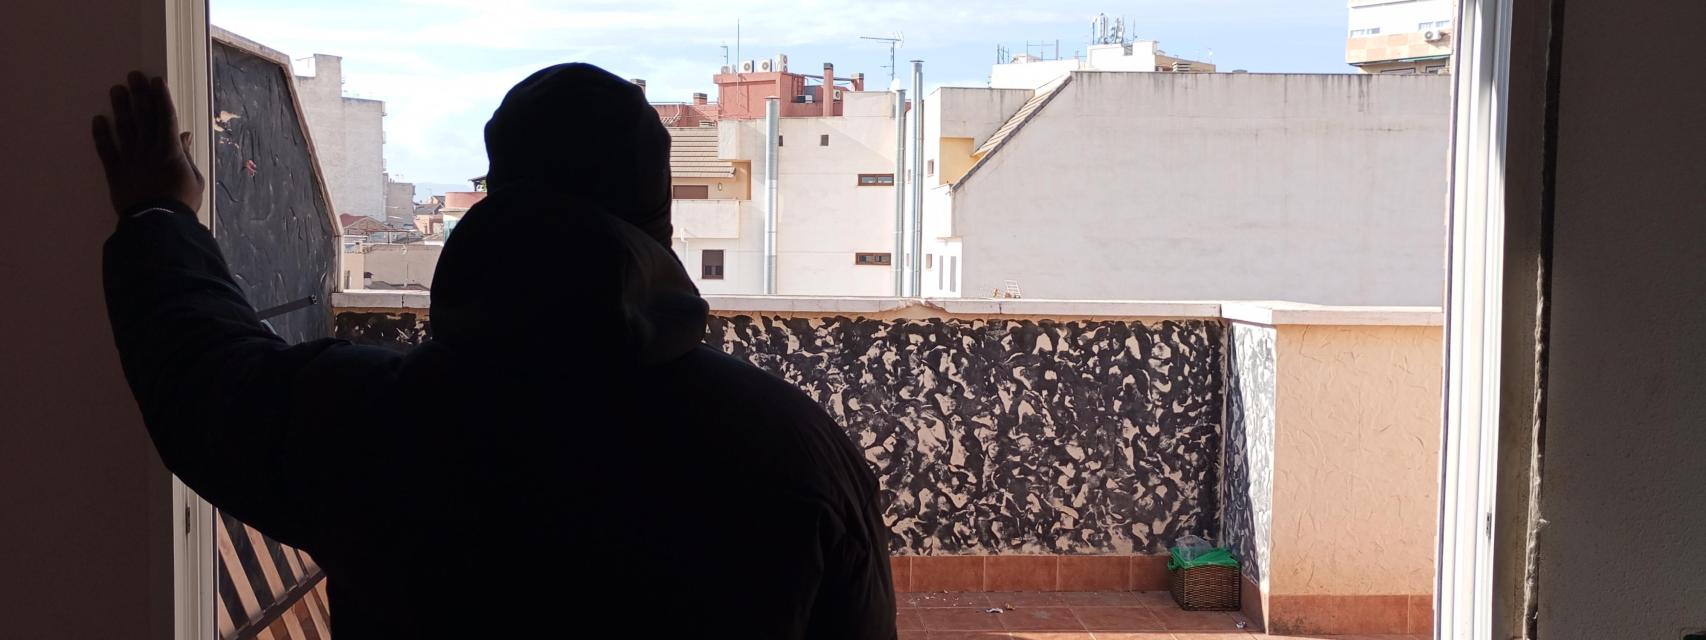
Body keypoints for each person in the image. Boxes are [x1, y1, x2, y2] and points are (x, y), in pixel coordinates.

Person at [94, 67, 895, 638]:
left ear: (495, 198)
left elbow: (203, 372)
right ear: (663, 227)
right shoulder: (794, 453)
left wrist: (159, 213)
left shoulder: (373, 424)